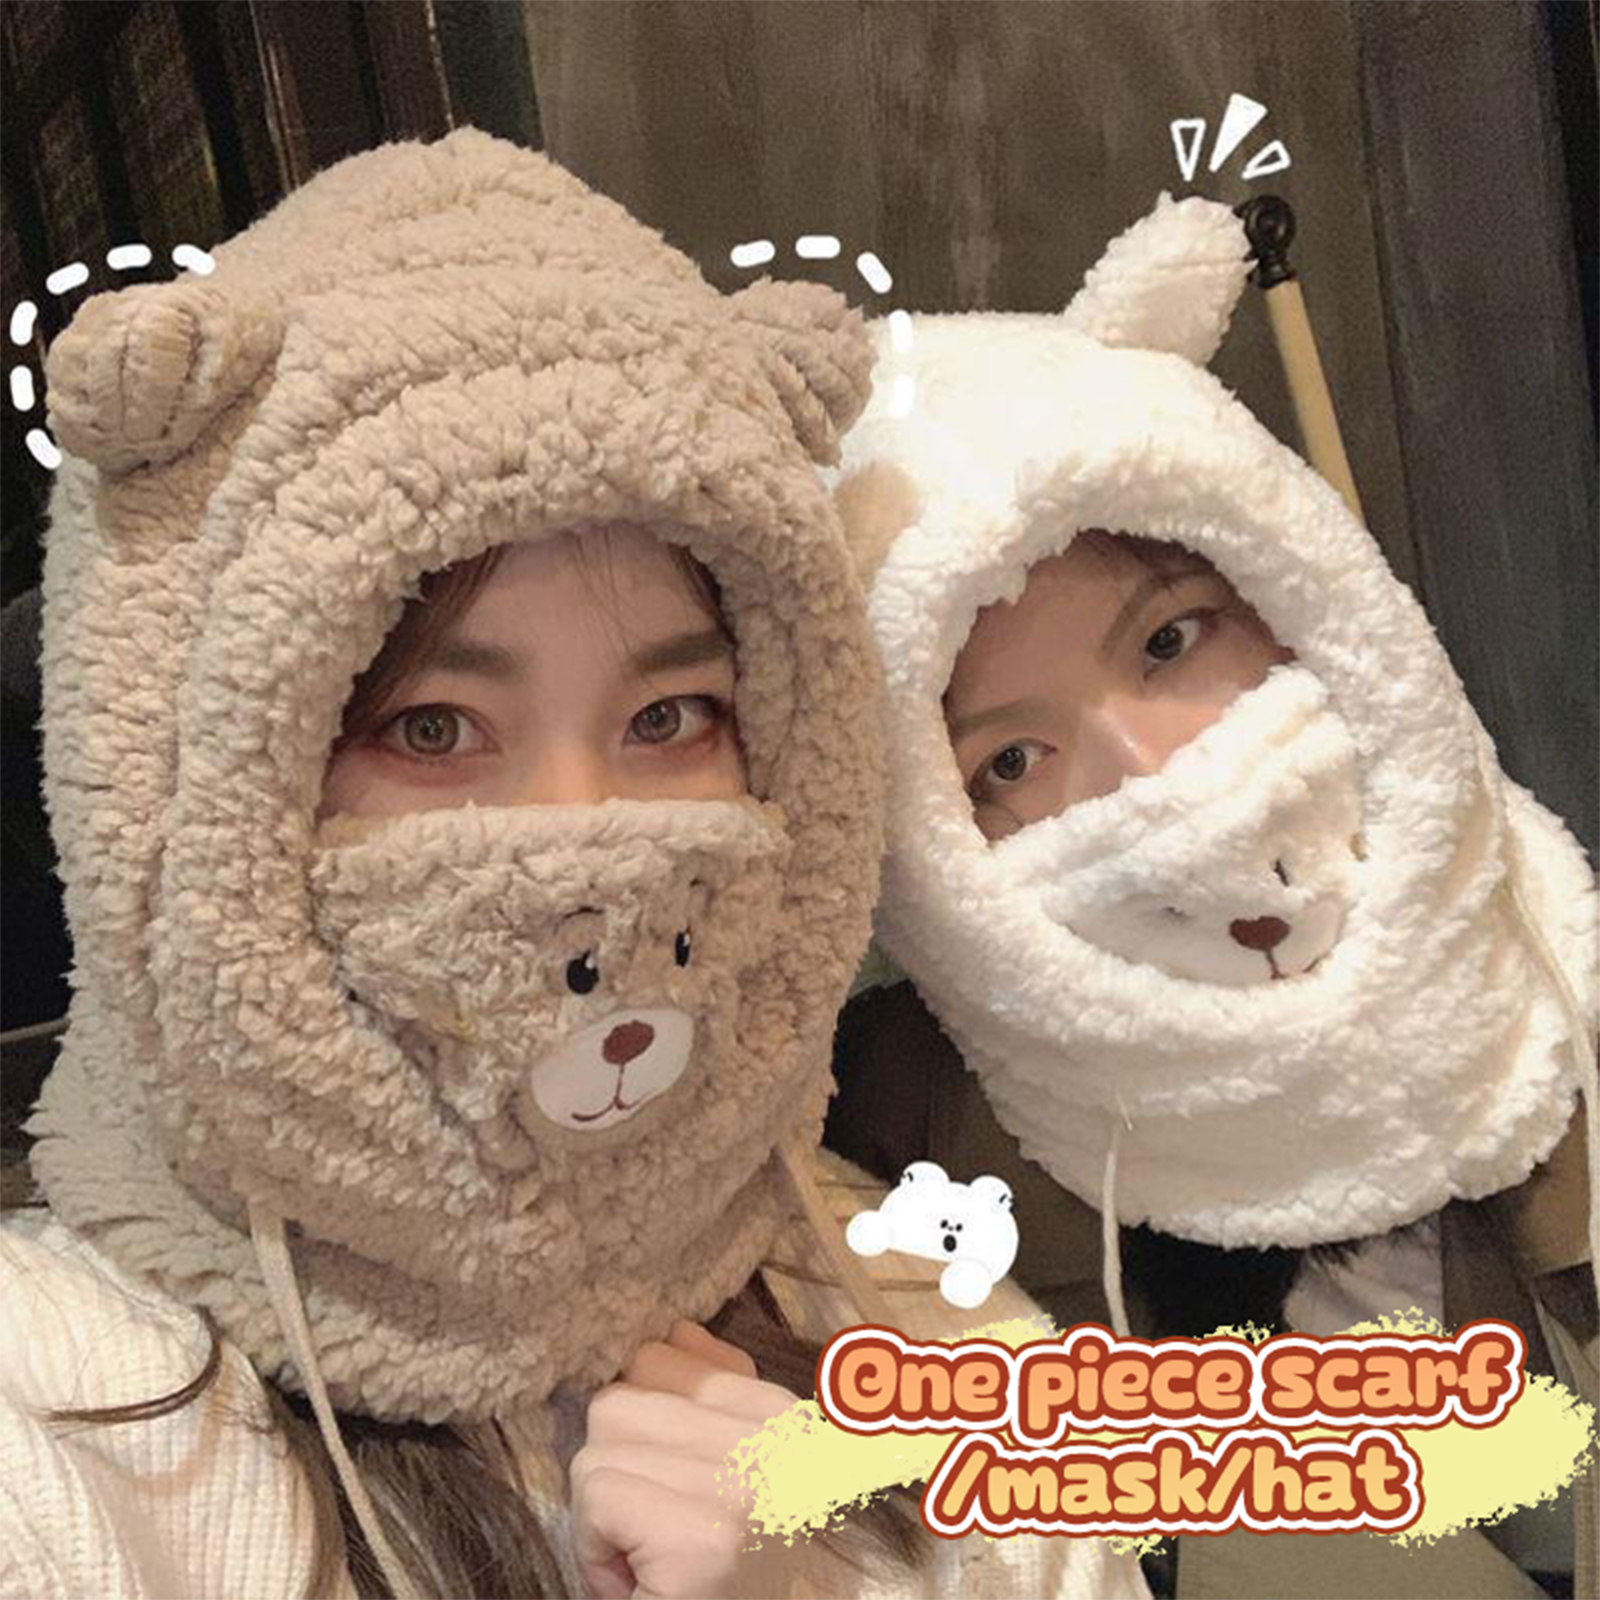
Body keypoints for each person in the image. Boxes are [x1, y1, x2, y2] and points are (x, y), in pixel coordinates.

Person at [0, 130, 1147, 1600]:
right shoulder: (51, 1439)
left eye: (669, 718)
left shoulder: (938, 1327)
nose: (579, 836)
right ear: (189, 780)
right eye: (429, 726)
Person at [825, 192, 1597, 1598]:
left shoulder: (1566, 989)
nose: (1162, 776)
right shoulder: (911, 1158)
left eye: (1174, 641)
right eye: (1010, 760)